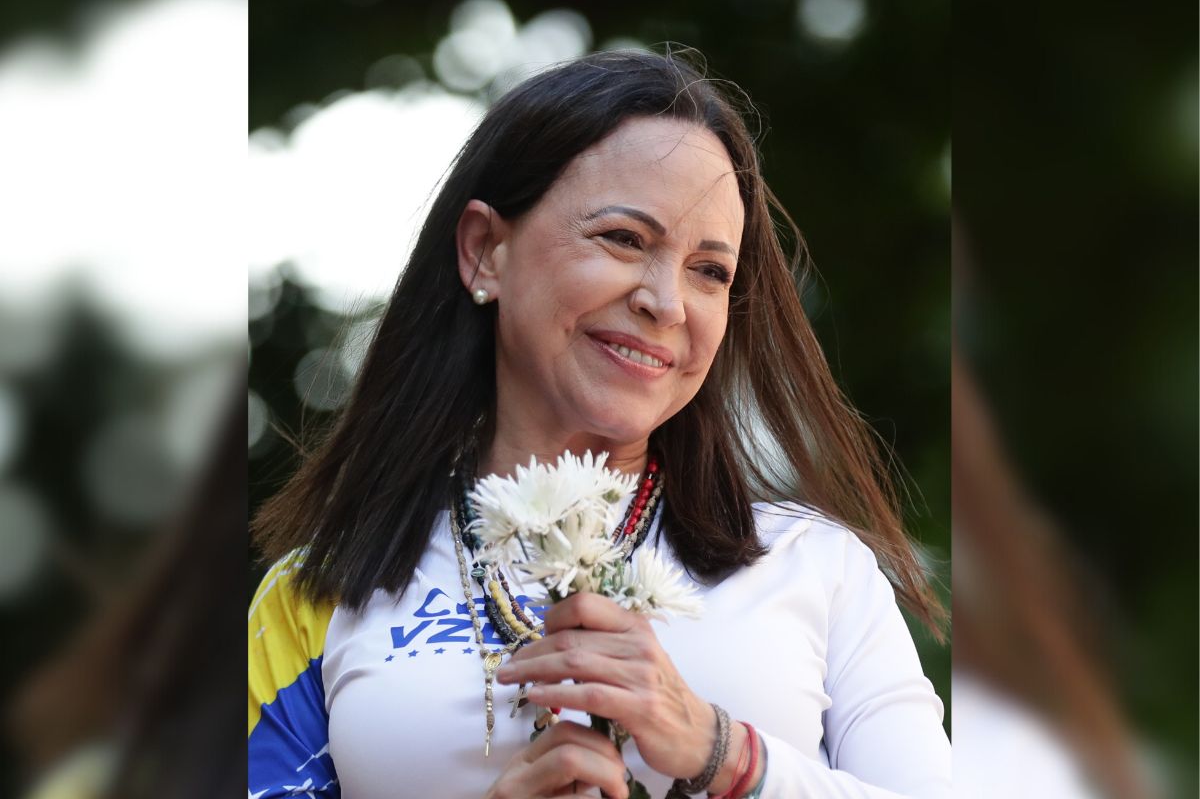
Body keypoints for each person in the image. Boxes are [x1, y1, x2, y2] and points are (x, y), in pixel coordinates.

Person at [249, 49, 951, 799]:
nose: (666, 302)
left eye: (710, 271)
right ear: (485, 251)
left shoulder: (819, 567)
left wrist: (724, 752)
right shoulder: (318, 592)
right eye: (624, 238)